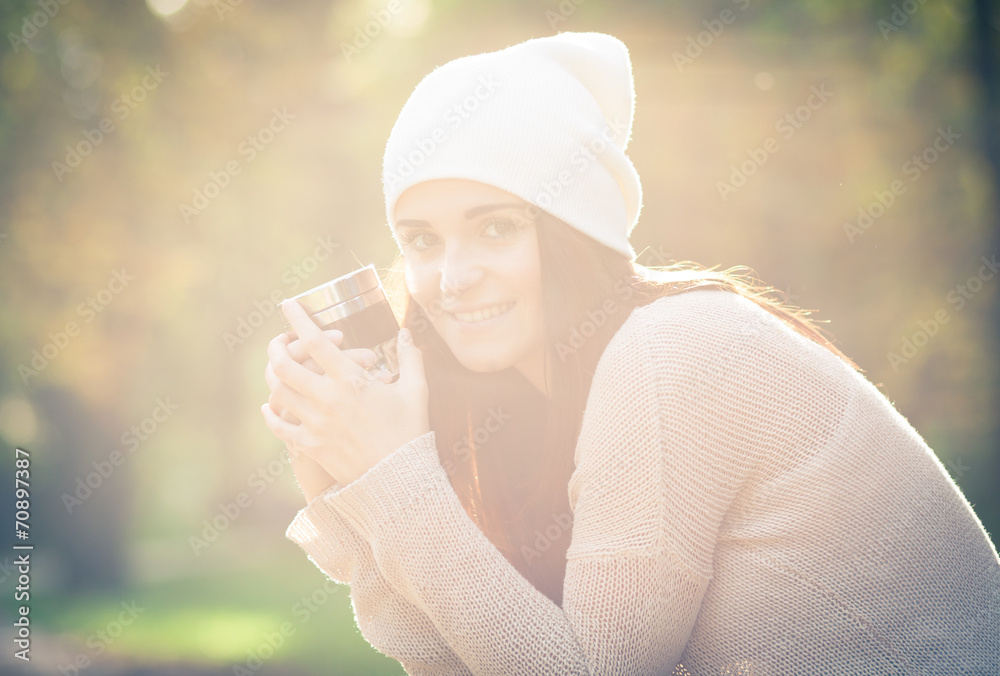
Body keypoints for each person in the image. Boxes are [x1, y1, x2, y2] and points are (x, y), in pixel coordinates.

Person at [261, 31, 1000, 675]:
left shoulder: (671, 353)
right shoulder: (545, 398)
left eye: (494, 229)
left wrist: (395, 479)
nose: (452, 280)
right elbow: (457, 660)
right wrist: (345, 483)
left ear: (573, 230)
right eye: (422, 240)